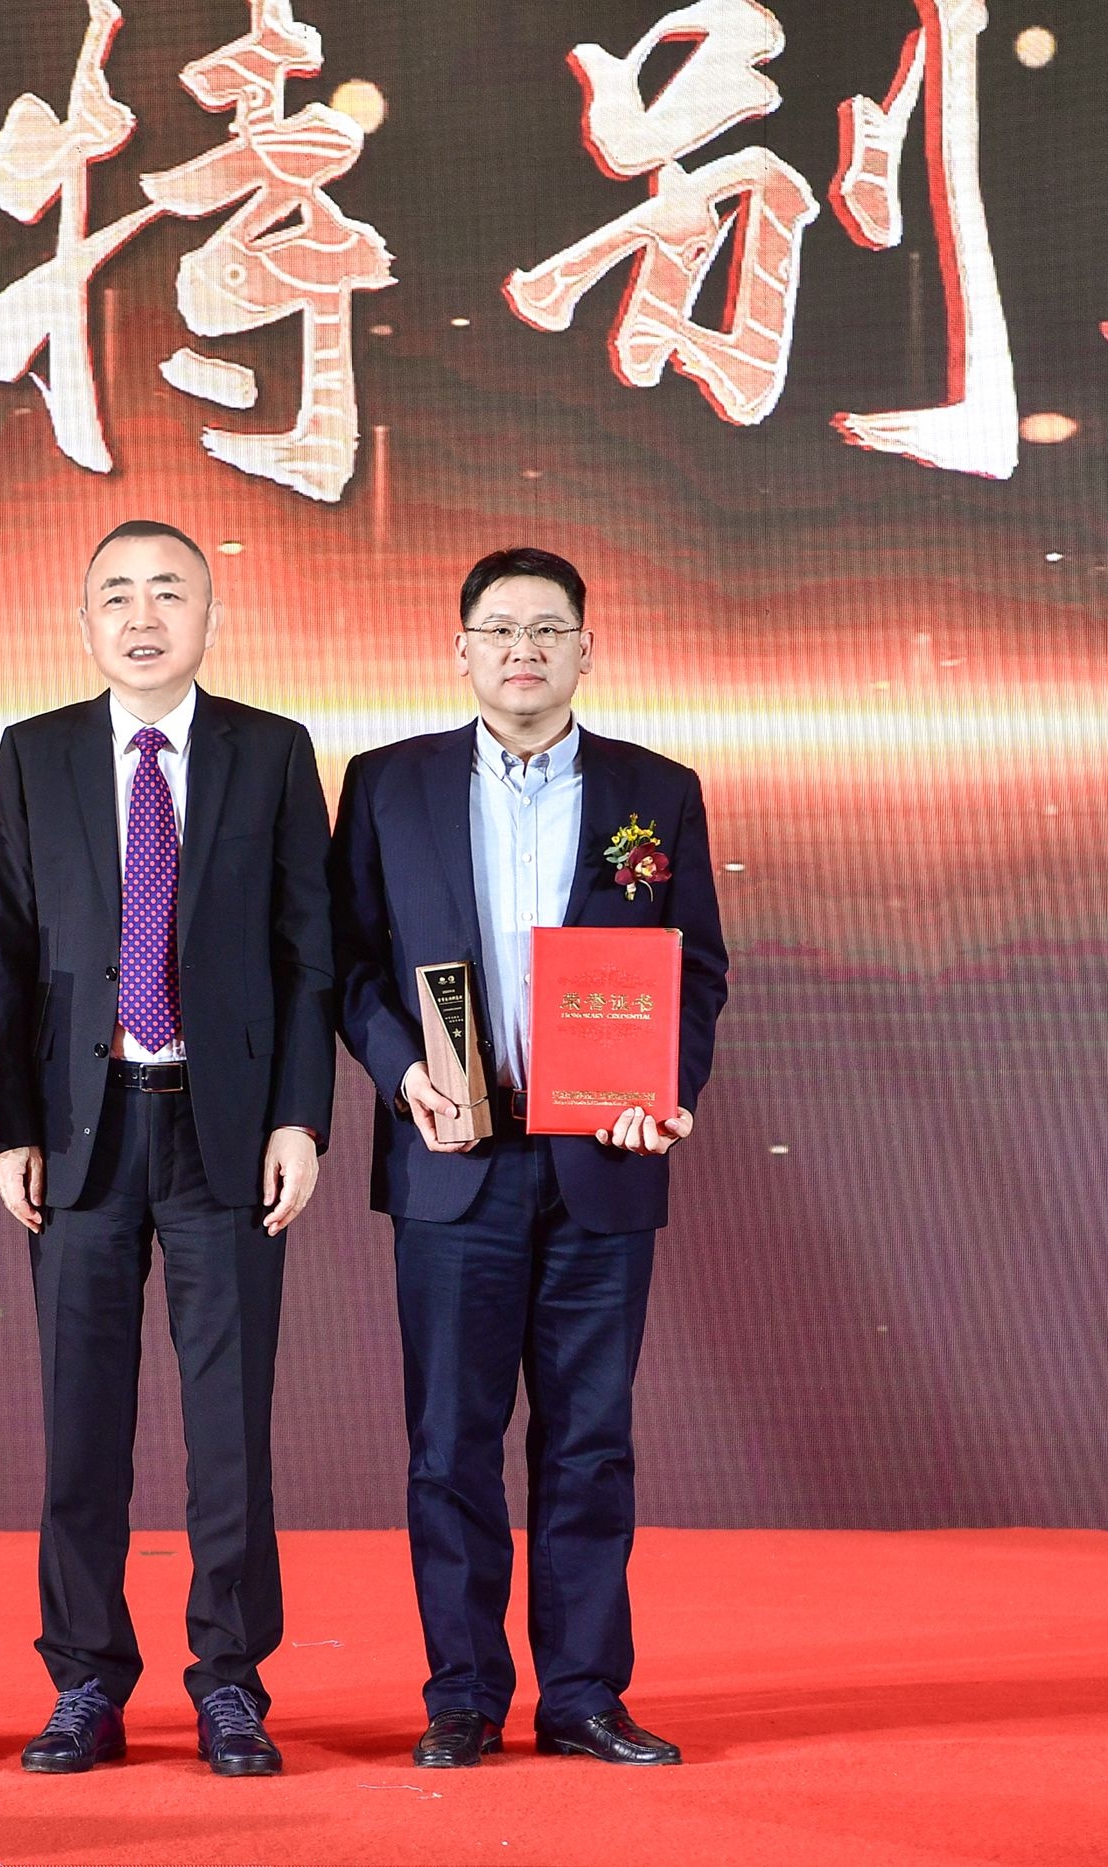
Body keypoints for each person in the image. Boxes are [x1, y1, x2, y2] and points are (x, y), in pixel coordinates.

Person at [328, 546, 727, 1770]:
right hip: (454, 1162)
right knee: (451, 1443)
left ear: (585, 651)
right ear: (460, 650)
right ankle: (461, 1695)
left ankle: (583, 1695)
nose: (523, 650)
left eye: (548, 630)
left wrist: (661, 1093)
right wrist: (402, 1071)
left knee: (589, 1440)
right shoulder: (387, 784)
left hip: (600, 1161)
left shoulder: (655, 789)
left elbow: (695, 972)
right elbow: (348, 966)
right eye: (499, 629)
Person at [0, 519, 338, 1777]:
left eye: (169, 593)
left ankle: (230, 1681)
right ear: (84, 621)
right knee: (81, 1423)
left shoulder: (272, 751)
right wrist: (9, 1128)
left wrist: (300, 1116)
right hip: (79, 1134)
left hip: (222, 1131)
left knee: (228, 1426)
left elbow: (309, 954)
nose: (143, 617)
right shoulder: (33, 754)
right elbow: (7, 956)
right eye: (118, 596)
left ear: (209, 616)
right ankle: (85, 1677)